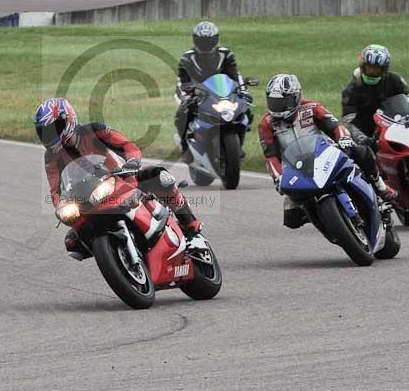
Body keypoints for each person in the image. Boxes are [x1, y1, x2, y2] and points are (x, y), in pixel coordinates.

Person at [35, 97, 203, 259]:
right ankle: (115, 252)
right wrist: (61, 205)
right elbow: (55, 189)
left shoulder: (93, 130)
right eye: (44, 132)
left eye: (54, 128)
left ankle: (193, 230)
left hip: (119, 179)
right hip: (87, 198)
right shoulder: (51, 157)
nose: (50, 136)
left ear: (68, 119)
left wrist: (132, 162)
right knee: (72, 242)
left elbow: (127, 146)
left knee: (160, 177)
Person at [259, 74, 398, 230]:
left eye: (283, 102)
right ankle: (325, 218)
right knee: (292, 219)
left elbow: (335, 126)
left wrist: (344, 139)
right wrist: (279, 177)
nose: (278, 107)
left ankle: (380, 186)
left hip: (323, 154)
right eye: (274, 102)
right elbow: (270, 156)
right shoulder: (266, 124)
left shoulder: (311, 108)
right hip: (297, 169)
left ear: (296, 97)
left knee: (362, 152)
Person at [174, 20, 252, 162]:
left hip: (220, 90)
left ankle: (239, 145)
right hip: (194, 92)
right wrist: (187, 94)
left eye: (209, 41)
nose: (206, 44)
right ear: (195, 40)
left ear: (216, 39)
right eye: (202, 41)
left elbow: (235, 75)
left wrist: (243, 90)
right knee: (183, 112)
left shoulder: (226, 54)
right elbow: (182, 80)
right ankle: (185, 146)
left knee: (245, 106)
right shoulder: (187, 58)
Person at [341, 44, 409, 148]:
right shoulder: (350, 90)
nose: (372, 72)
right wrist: (363, 139)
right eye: (369, 68)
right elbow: (348, 123)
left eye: (376, 69)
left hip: (397, 127)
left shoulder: (394, 79)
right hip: (370, 136)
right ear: (363, 66)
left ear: (384, 69)